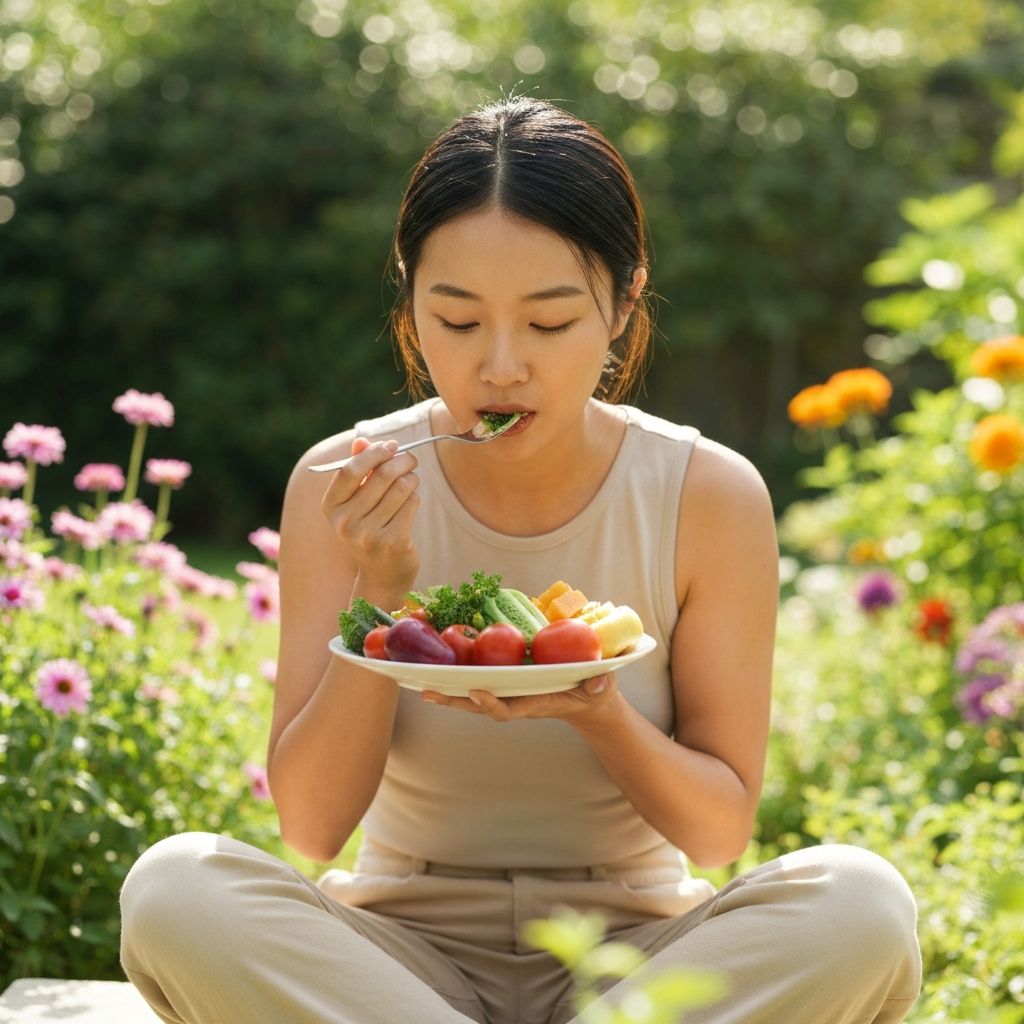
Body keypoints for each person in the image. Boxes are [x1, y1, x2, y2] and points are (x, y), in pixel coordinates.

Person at [119, 95, 922, 1024]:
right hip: (396, 968)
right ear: (410, 306)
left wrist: (601, 711)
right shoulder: (340, 485)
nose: (500, 367)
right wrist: (378, 599)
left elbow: (717, 833)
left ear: (624, 304)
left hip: (636, 962)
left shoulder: (709, 494)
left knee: (859, 905)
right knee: (177, 888)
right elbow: (311, 827)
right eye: (457, 322)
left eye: (548, 324)